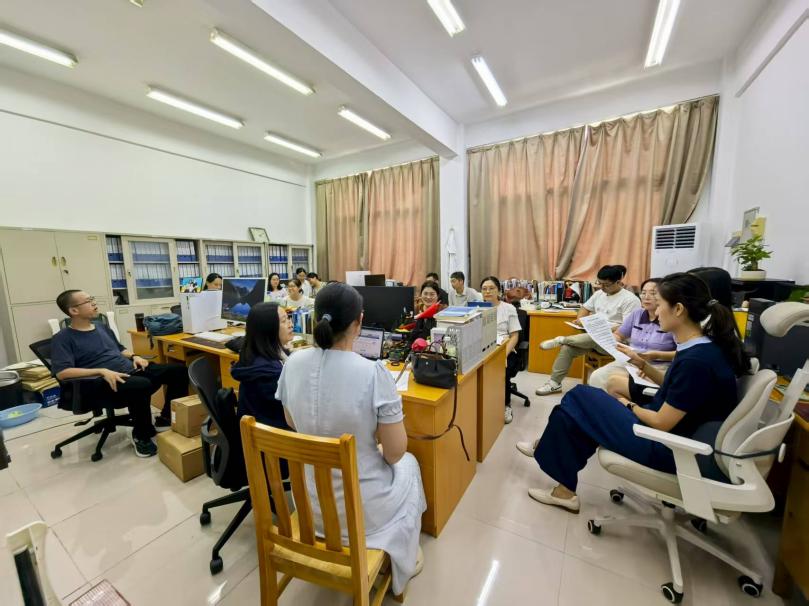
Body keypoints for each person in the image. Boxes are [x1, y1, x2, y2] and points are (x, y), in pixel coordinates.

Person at [516, 272, 750, 513]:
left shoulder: (696, 362)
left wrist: (626, 404)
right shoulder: (702, 348)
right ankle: (562, 488)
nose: (656, 311)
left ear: (678, 309)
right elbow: (676, 388)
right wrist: (643, 365)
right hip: (675, 437)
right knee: (576, 411)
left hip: (670, 448)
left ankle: (554, 470)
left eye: (659, 304)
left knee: (578, 397)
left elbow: (661, 422)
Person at [276, 283, 426, 596]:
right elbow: (395, 453)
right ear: (359, 322)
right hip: (361, 516)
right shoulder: (373, 373)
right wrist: (373, 442)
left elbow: (291, 422)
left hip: (310, 508)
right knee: (410, 464)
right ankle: (404, 555)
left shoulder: (292, 363)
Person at [51, 290, 189, 457]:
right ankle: (141, 435)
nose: (94, 303)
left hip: (130, 370)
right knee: (141, 385)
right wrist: (101, 371)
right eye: (88, 301)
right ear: (74, 310)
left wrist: (135, 356)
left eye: (92, 298)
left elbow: (119, 349)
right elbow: (62, 373)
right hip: (101, 383)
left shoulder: (101, 327)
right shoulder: (63, 338)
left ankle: (166, 418)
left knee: (178, 371)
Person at [535, 265, 641, 396]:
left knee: (597, 335)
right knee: (567, 348)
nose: (601, 287)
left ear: (618, 282)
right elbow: (584, 308)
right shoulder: (599, 294)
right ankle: (554, 384)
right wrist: (580, 320)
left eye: (606, 285)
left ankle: (562, 339)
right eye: (599, 283)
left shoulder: (630, 300)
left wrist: (604, 328)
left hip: (616, 343)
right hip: (593, 338)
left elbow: (627, 327)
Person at [588, 278, 676, 393]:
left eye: (652, 293)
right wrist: (611, 341)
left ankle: (625, 403)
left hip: (659, 366)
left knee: (634, 386)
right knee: (597, 376)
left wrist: (655, 355)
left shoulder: (670, 319)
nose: (646, 297)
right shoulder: (637, 314)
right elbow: (619, 334)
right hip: (631, 361)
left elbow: (682, 352)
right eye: (643, 293)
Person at [232, 302, 293, 431]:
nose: (290, 324)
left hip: (260, 432)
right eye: (284, 321)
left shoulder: (254, 355)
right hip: (271, 438)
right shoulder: (269, 374)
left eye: (288, 318)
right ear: (268, 330)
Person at [480, 276, 522, 424]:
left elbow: (515, 336)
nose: (487, 291)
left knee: (501, 370)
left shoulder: (508, 308)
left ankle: (505, 405)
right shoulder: (476, 308)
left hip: (505, 348)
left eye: (491, 288)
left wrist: (503, 355)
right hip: (483, 348)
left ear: (498, 291)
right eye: (484, 289)